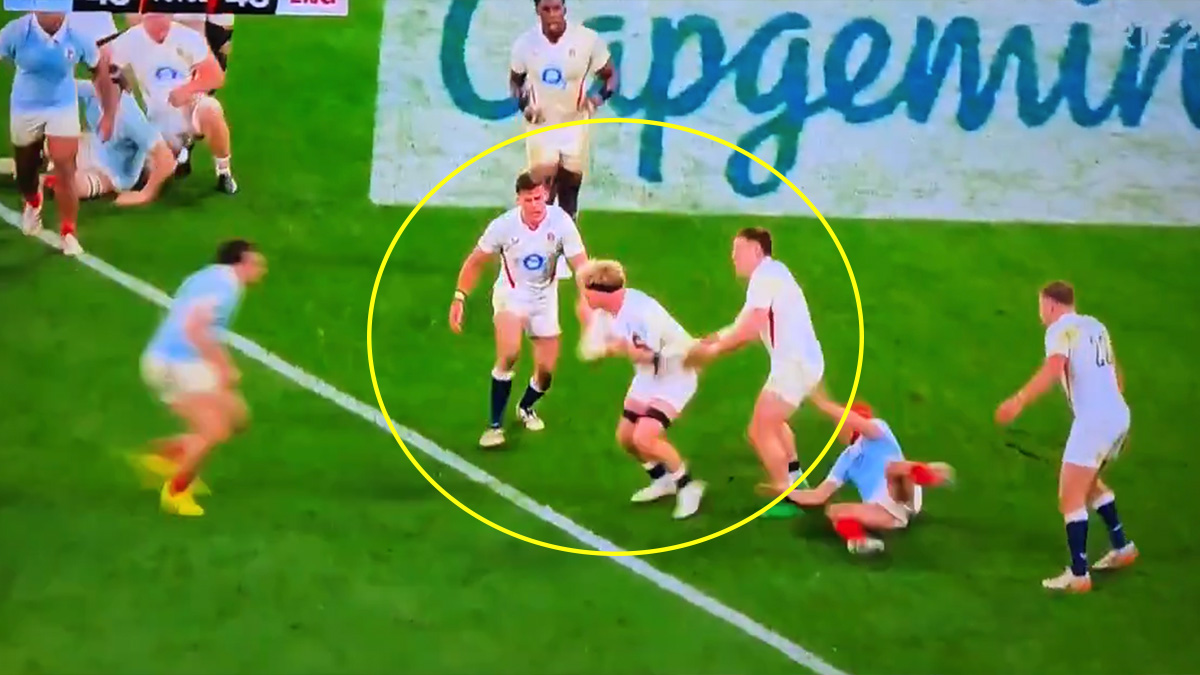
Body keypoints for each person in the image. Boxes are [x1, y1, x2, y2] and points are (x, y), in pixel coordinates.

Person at [686, 227, 881, 517]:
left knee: (760, 429)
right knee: (775, 422)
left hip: (793, 367)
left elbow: (749, 330)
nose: (733, 257)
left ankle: (787, 497)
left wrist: (711, 353)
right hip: (802, 362)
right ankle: (794, 476)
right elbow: (743, 325)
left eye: (738, 250)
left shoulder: (764, 278)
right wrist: (709, 341)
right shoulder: (772, 274)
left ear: (756, 250)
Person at [996, 281, 1137, 593]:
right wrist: (1112, 417)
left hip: (1094, 421)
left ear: (1050, 304)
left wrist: (1019, 400)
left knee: (1069, 496)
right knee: (1088, 482)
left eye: (1041, 306)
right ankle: (1122, 547)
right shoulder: (1095, 326)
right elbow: (1116, 373)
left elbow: (1052, 369)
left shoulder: (1059, 330)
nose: (1040, 313)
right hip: (1118, 414)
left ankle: (1078, 574)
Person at [449, 171, 589, 449]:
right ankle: (495, 426)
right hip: (511, 294)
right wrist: (459, 297)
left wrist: (588, 300)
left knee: (545, 373)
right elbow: (476, 261)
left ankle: (525, 407)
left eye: (539, 198)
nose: (535, 205)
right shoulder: (503, 226)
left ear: (546, 195)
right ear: (518, 200)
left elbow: (581, 264)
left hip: (545, 298)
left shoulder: (560, 222)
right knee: (510, 352)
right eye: (529, 200)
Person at [136, 239, 267, 517]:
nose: (262, 270)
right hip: (180, 363)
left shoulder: (206, 276)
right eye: (257, 264)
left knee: (238, 418)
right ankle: (176, 492)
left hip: (170, 359)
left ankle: (164, 458)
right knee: (214, 430)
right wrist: (223, 366)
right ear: (241, 261)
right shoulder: (227, 287)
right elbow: (196, 328)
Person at [576, 260, 706, 519]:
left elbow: (654, 356)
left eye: (586, 291)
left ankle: (688, 486)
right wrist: (607, 347)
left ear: (601, 291)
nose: (584, 296)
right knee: (626, 438)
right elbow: (588, 351)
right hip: (648, 377)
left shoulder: (644, 312)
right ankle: (662, 480)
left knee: (645, 437)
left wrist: (628, 351)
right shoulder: (605, 314)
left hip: (675, 375)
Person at [0, 11, 118, 256]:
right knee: (26, 168)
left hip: (62, 106)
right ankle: (33, 201)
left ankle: (68, 232)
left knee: (66, 167)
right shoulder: (16, 31)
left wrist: (108, 114)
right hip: (25, 106)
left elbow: (99, 71)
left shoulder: (77, 36)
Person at [787, 401, 955, 555]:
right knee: (834, 511)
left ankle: (931, 476)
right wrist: (787, 492)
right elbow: (818, 495)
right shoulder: (846, 460)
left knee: (894, 469)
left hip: (903, 491)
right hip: (886, 513)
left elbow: (859, 423)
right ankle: (860, 542)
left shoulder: (878, 432)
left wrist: (824, 404)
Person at [509, 0, 617, 223]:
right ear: (537, 10)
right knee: (543, 190)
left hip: (574, 123)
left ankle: (568, 236)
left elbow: (610, 76)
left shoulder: (587, 40)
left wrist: (597, 98)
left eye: (556, 8)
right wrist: (525, 106)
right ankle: (540, 238)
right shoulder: (525, 44)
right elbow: (515, 83)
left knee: (569, 189)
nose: (552, 15)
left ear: (564, 9)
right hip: (541, 124)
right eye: (546, 9)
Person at [106, 14, 237, 194]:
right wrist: (121, 84)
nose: (162, 26)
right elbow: (104, 65)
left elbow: (216, 76)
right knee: (147, 175)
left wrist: (188, 90)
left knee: (211, 110)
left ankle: (224, 171)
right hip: (158, 118)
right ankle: (177, 155)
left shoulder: (187, 36)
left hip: (189, 108)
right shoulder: (130, 40)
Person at [47, 74, 175, 207]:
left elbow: (167, 159)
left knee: (72, 187)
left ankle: (50, 177)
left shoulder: (130, 118)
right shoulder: (94, 92)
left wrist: (145, 195)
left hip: (110, 174)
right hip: (90, 148)